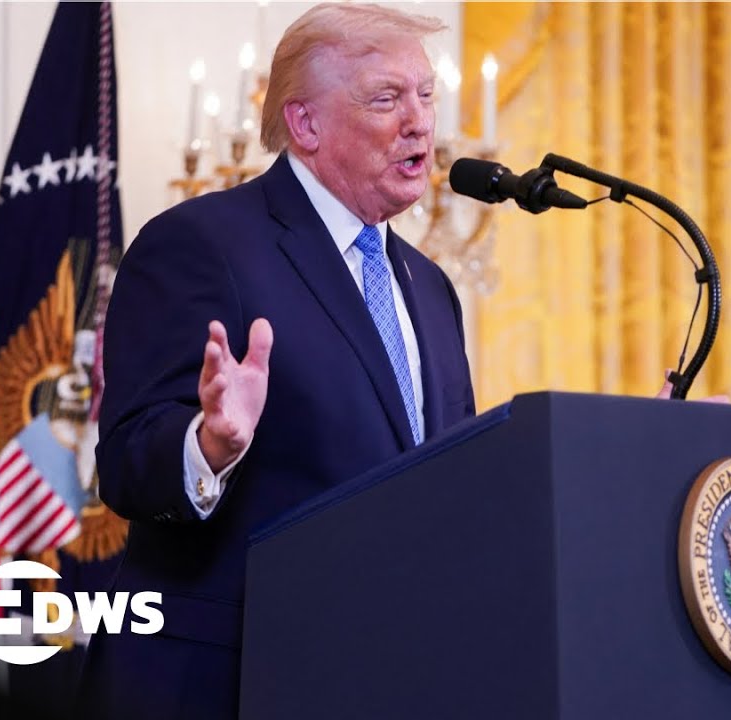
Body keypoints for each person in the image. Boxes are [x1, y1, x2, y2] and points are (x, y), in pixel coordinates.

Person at [76, 4, 475, 718]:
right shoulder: (201, 244)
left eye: (425, 95)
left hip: (377, 680)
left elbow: (451, 483)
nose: (419, 122)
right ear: (305, 125)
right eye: (386, 98)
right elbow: (128, 463)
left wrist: (601, 455)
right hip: (225, 685)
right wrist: (208, 445)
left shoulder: (431, 288)